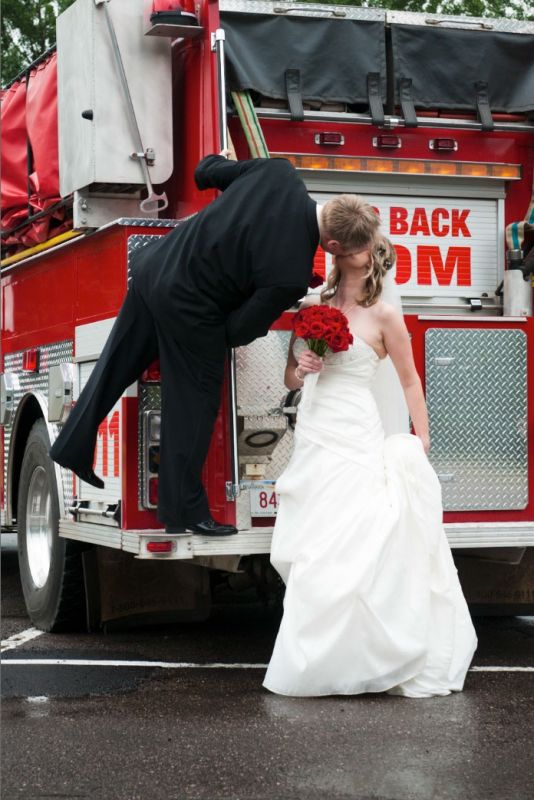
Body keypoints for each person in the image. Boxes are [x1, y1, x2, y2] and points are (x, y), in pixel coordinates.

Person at [49, 153, 381, 536]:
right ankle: (183, 512)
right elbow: (242, 329)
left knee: (115, 365)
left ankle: (72, 445)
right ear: (335, 244)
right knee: (193, 407)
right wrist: (209, 340)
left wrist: (223, 163)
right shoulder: (289, 273)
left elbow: (204, 171)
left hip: (155, 270)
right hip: (191, 311)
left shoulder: (278, 173)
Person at [263, 236, 478, 697]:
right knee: (313, 542)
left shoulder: (384, 314)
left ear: (370, 256)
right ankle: (318, 658)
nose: (339, 255)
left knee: (354, 537)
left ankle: (364, 653)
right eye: (336, 250)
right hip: (316, 428)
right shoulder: (314, 303)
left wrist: (421, 438)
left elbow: (409, 378)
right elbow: (289, 378)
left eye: (350, 250)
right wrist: (301, 367)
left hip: (356, 429)